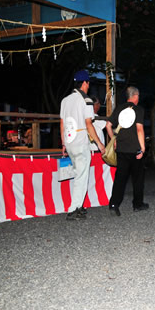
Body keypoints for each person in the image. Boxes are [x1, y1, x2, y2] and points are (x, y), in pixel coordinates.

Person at [59, 70, 105, 220]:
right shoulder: (86, 101)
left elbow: (62, 123)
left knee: (78, 174)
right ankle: (74, 209)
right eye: (88, 83)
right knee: (81, 176)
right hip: (80, 140)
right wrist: (99, 143)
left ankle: (78, 205)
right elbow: (89, 125)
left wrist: (63, 142)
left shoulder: (65, 100)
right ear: (85, 83)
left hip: (70, 140)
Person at [106, 86, 148, 216]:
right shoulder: (138, 110)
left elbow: (108, 125)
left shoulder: (119, 108)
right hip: (134, 150)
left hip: (122, 149)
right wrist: (143, 147)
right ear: (135, 96)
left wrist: (114, 138)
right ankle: (138, 204)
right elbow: (139, 129)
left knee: (120, 179)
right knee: (138, 178)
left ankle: (114, 205)